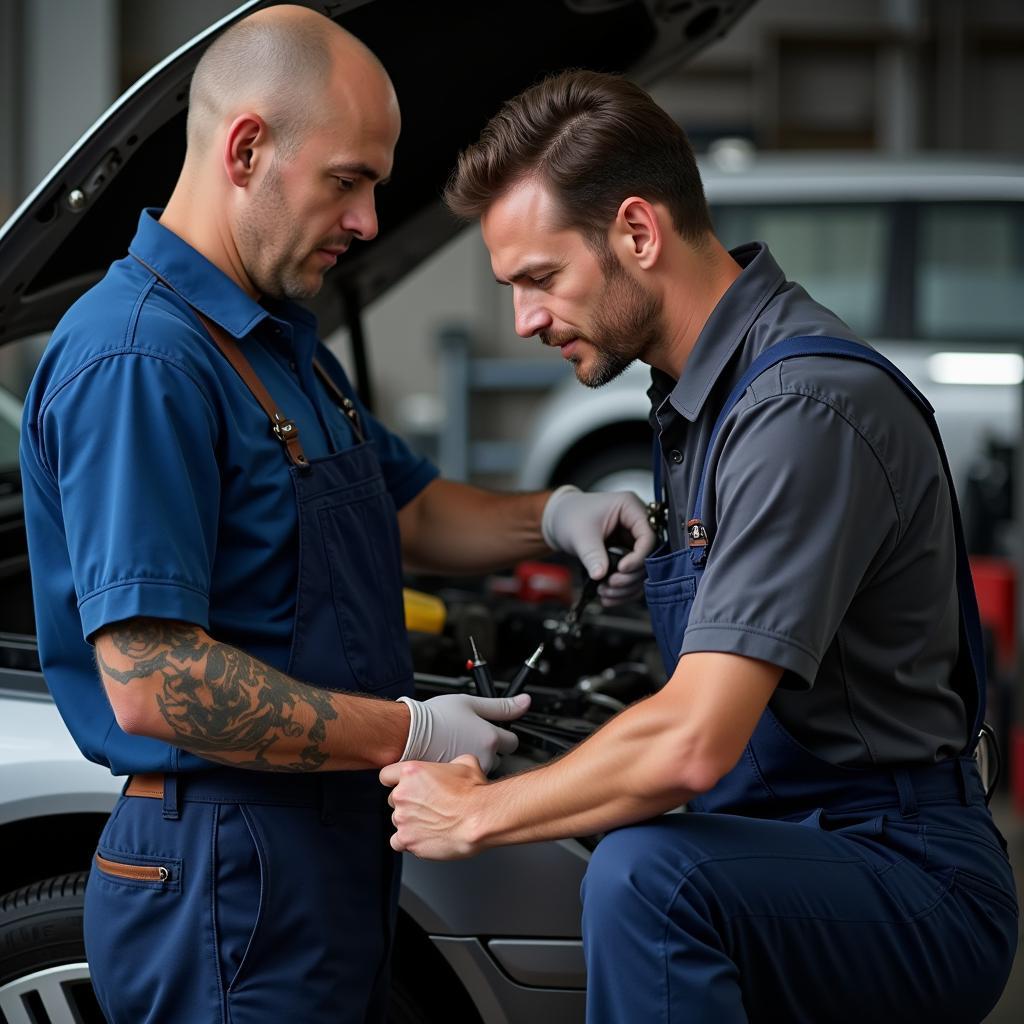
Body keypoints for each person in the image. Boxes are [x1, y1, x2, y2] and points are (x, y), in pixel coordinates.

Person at [18, 14, 655, 1023]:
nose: (365, 220)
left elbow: (411, 510)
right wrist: (406, 728)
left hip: (319, 857)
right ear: (246, 149)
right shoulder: (141, 360)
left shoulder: (274, 343)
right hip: (227, 874)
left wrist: (560, 516)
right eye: (347, 180)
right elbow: (154, 682)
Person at [382, 70, 1020, 1023]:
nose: (523, 320)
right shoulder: (698, 404)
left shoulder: (799, 408)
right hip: (804, 834)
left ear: (639, 233)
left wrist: (480, 810)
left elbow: (690, 744)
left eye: (540, 278)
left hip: (907, 871)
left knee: (652, 879)